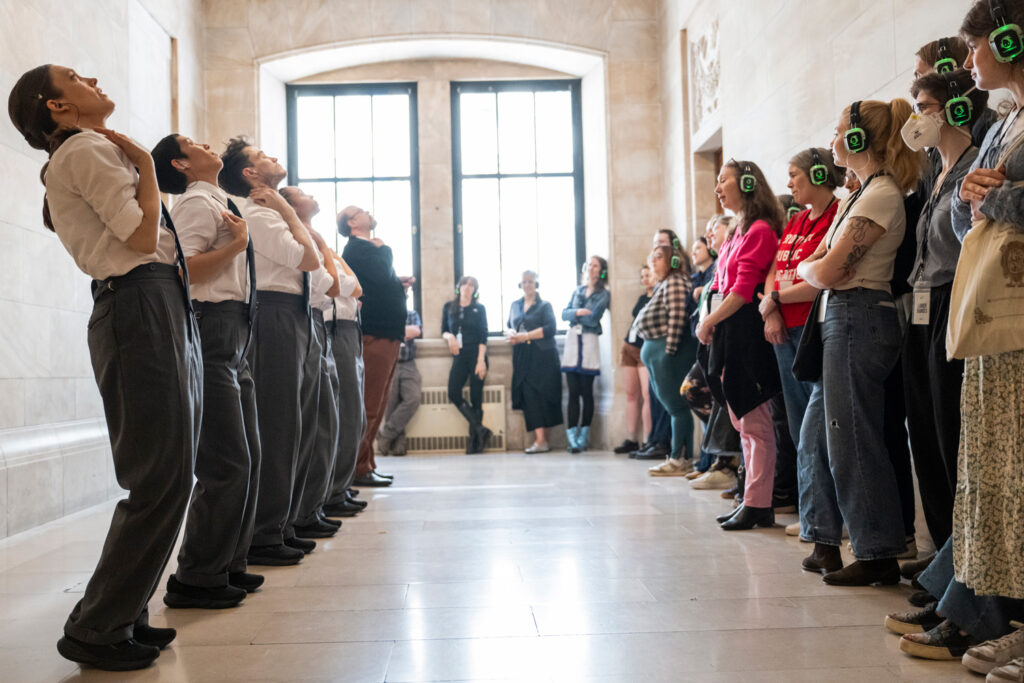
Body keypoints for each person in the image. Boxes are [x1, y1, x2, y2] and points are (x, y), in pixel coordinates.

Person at [9, 64, 201, 670]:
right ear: (56, 108)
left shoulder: (90, 149)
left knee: (170, 469)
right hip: (137, 301)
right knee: (160, 474)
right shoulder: (88, 150)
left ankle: (122, 611)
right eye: (74, 77)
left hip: (155, 299)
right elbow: (141, 238)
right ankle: (98, 625)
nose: (90, 77)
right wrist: (147, 167)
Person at [891, 2, 1024, 671]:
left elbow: (1003, 201)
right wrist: (982, 196)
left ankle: (983, 606)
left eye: (977, 49)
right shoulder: (1003, 124)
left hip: (1008, 302)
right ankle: (974, 601)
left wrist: (990, 197)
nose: (973, 64)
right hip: (981, 300)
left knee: (1001, 464)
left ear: (1009, 39)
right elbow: (979, 208)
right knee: (982, 466)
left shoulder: (993, 129)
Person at [796, 98, 924, 584]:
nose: (831, 140)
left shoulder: (880, 194)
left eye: (837, 130)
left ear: (856, 140)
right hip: (843, 314)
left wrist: (818, 266)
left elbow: (826, 266)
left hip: (859, 316)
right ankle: (858, 544)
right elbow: (824, 265)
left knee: (853, 437)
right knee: (833, 434)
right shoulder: (861, 192)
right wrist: (821, 266)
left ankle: (877, 553)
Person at [152, 134, 260, 610]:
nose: (208, 143)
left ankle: (227, 562)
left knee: (247, 455)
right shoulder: (196, 203)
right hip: (214, 328)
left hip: (236, 329)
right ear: (181, 163)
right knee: (225, 460)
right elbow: (183, 272)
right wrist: (236, 245)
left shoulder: (217, 198)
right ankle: (196, 576)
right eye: (194, 143)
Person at [218, 138, 323, 563]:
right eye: (265, 157)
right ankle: (264, 532)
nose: (275, 158)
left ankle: (282, 523)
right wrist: (283, 209)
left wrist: (284, 210)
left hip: (292, 312)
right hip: (273, 314)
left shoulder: (271, 211)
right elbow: (307, 259)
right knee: (278, 424)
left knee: (293, 424)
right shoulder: (258, 214)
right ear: (250, 174)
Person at [901, 69, 986, 557]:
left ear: (954, 109)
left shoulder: (973, 164)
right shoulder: (936, 174)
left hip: (953, 298)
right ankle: (941, 559)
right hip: (921, 303)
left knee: (949, 431)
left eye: (926, 106)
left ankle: (962, 564)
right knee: (925, 435)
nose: (919, 117)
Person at [757, 148, 843, 538]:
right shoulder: (795, 220)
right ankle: (813, 510)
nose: (789, 183)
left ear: (819, 174)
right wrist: (772, 308)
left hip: (813, 331)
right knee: (797, 428)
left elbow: (820, 280)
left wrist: (775, 300)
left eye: (795, 175)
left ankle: (832, 517)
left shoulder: (836, 215)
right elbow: (777, 268)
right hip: (783, 331)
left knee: (820, 429)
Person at [696, 160, 783, 530]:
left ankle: (759, 502)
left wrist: (709, 320)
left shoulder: (760, 229)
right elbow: (722, 285)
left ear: (747, 183)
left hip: (745, 329)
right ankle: (751, 496)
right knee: (739, 418)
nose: (717, 187)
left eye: (723, 180)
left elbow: (742, 290)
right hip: (728, 328)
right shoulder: (736, 231)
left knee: (754, 421)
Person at [279, 187, 350, 533]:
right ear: (290, 205)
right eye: (301, 193)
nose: (310, 194)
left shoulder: (308, 233)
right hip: (308, 318)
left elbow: (342, 284)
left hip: (317, 321)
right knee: (310, 422)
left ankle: (312, 506)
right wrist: (322, 248)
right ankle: (303, 511)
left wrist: (323, 248)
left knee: (326, 419)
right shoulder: (296, 233)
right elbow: (333, 286)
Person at [338, 205, 409, 487]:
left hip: (387, 333)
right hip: (375, 334)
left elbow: (379, 281)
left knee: (377, 403)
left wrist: (397, 284)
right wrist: (385, 249)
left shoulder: (369, 250)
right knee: (369, 403)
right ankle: (358, 467)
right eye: (360, 211)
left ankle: (367, 463)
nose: (368, 211)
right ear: (352, 223)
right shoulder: (358, 248)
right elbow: (380, 272)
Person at [635, 245, 698, 476]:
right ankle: (680, 457)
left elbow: (677, 315)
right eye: (652, 256)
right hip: (657, 353)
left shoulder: (675, 280)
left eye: (658, 256)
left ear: (672, 261)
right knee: (674, 408)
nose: (653, 260)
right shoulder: (663, 283)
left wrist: (669, 352)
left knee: (676, 407)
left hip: (666, 354)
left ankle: (679, 458)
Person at [320, 232, 366, 519]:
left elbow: (355, 286)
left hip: (349, 328)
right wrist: (329, 253)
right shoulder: (316, 248)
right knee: (345, 413)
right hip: (334, 328)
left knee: (355, 416)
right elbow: (343, 287)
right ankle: (333, 491)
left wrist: (334, 255)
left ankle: (342, 486)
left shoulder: (328, 253)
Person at [507, 270, 563, 453]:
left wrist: (526, 336)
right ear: (520, 284)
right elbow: (509, 325)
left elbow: (550, 329)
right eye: (524, 281)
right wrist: (512, 334)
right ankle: (540, 440)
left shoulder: (544, 305)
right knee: (529, 394)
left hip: (543, 356)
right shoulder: (515, 305)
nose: (528, 284)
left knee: (545, 394)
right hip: (523, 355)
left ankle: (542, 441)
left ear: (536, 284)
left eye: (531, 281)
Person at [561, 256, 611, 453]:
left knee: (586, 391)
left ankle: (584, 435)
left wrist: (577, 314)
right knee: (573, 391)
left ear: (601, 271)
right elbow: (564, 314)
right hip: (573, 342)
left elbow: (594, 317)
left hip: (589, 342)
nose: (591, 268)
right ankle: (572, 436)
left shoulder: (603, 294)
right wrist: (578, 313)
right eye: (589, 265)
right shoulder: (578, 291)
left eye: (595, 265)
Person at [442, 275, 492, 454]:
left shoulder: (479, 309)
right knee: (454, 392)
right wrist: (450, 337)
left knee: (476, 397)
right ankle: (481, 428)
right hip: (459, 356)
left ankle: (476, 443)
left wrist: (481, 361)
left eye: (472, 285)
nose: (467, 287)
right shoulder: (449, 307)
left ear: (475, 290)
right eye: (465, 284)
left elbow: (483, 335)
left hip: (477, 355)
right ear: (459, 287)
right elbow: (444, 330)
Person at [613, 264, 656, 455]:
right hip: (629, 345)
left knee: (647, 395)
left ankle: (648, 439)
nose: (645, 279)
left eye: (648, 275)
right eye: (642, 276)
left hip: (645, 348)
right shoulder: (641, 298)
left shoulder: (659, 296)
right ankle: (632, 438)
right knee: (631, 394)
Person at [378, 284, 423, 456]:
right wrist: (401, 332)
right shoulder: (385, 314)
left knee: (413, 398)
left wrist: (394, 331)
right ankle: (398, 442)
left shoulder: (411, 314)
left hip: (409, 364)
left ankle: (385, 434)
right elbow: (383, 332)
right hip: (390, 362)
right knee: (390, 404)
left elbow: (415, 330)